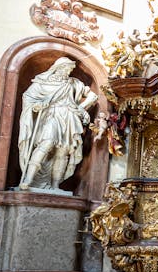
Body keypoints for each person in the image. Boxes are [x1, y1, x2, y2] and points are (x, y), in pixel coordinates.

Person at [17, 57, 98, 191]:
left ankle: (55, 186)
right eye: (67, 68)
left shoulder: (73, 83)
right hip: (52, 116)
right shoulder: (43, 82)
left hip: (70, 117)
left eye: (70, 70)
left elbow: (93, 96)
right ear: (59, 68)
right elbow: (28, 97)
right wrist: (36, 105)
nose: (68, 72)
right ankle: (28, 180)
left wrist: (81, 107)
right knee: (46, 143)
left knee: (63, 152)